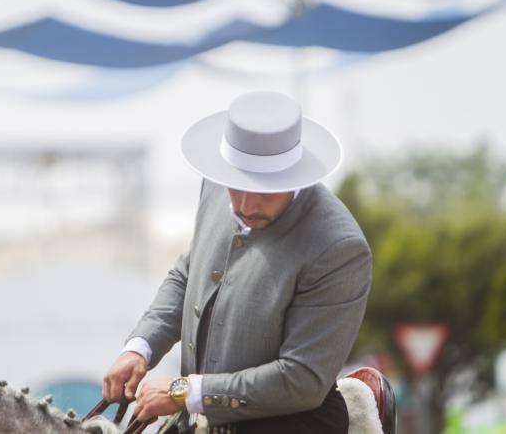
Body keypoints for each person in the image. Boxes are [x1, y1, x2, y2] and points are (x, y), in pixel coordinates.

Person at [102, 91, 372, 433]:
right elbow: (189, 274)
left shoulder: (339, 247)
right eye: (237, 186)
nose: (246, 203)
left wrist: (185, 392)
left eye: (265, 190)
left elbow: (302, 379)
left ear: (294, 176)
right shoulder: (216, 184)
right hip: (197, 420)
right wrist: (139, 348)